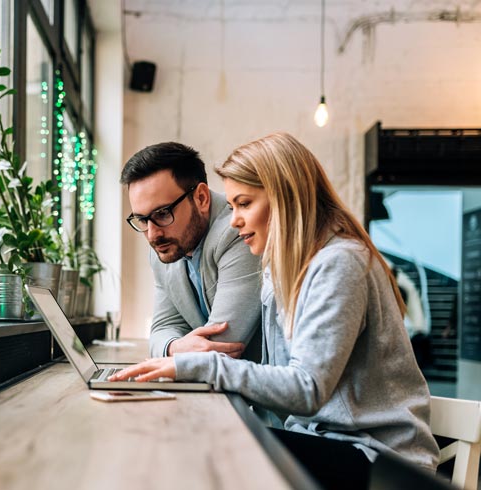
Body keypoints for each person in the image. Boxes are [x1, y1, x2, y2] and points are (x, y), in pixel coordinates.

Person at [112, 133, 439, 489]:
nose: (234, 221)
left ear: (286, 199)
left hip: (378, 458)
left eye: (244, 203)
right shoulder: (284, 269)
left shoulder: (340, 262)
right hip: (327, 440)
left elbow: (307, 387)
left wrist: (193, 363)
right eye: (233, 206)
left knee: (205, 451)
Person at [121, 142, 262, 360]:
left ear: (201, 198)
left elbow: (222, 346)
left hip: (257, 387)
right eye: (142, 219)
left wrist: (174, 351)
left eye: (162, 213)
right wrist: (174, 347)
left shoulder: (240, 230)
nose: (152, 235)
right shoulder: (167, 246)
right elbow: (162, 328)